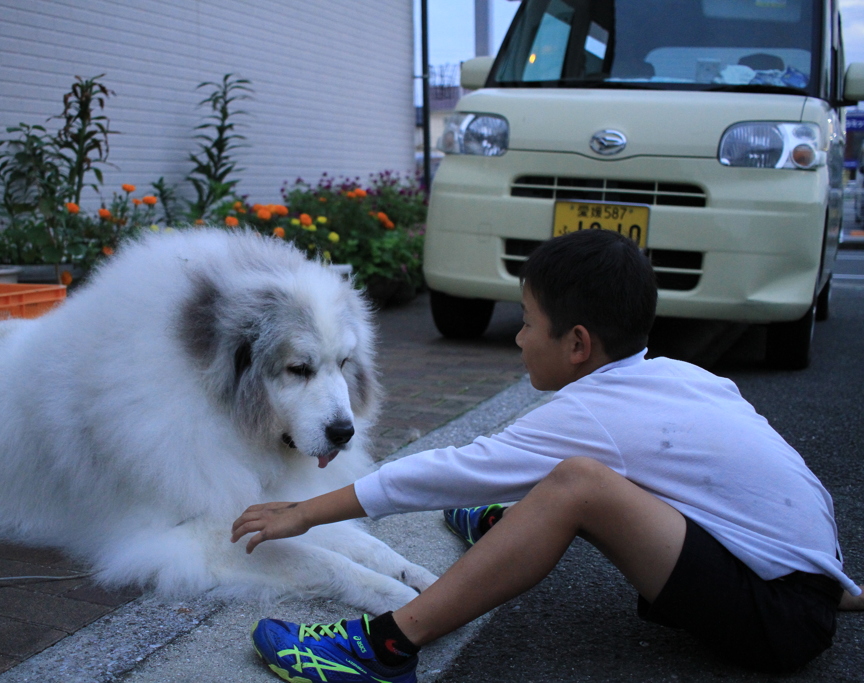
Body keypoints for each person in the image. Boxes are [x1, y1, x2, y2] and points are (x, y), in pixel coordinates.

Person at [231, 229, 863, 683]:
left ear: (578, 344)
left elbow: (451, 471)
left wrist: (306, 512)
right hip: (801, 582)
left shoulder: (592, 415)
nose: (519, 336)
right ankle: (507, 526)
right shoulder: (681, 376)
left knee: (578, 483)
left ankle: (386, 648)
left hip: (777, 618)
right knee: (579, 473)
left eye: (528, 322)